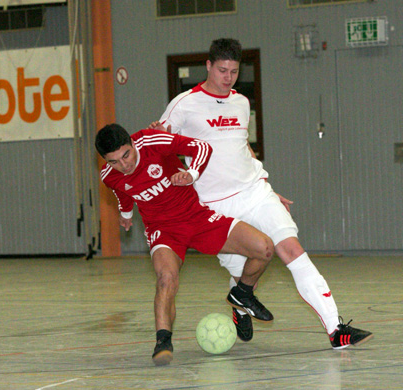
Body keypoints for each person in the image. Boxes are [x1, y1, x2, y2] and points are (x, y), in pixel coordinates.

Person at [153, 37, 373, 349]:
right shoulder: (183, 104)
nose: (227, 77)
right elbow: (156, 148)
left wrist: (267, 187)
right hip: (215, 206)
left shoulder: (241, 103)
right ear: (208, 66)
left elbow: (242, 148)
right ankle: (239, 301)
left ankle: (337, 331)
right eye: (221, 70)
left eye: (233, 71)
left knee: (292, 250)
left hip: (255, 193)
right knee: (245, 270)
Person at [95, 123, 275, 366]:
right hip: (164, 232)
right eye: (114, 161)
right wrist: (125, 214)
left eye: (126, 154)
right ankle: (163, 342)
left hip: (197, 218)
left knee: (264, 247)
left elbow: (202, 147)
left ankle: (242, 293)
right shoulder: (109, 176)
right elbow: (123, 193)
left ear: (132, 143)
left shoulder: (152, 141)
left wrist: (192, 174)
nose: (124, 165)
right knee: (166, 278)